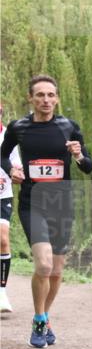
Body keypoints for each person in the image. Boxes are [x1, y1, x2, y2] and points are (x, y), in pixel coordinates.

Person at [1, 75, 92, 348]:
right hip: (33, 204)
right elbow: (2, 154)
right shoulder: (19, 127)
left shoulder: (69, 127)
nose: (46, 100)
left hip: (62, 205)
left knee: (56, 270)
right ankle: (40, 319)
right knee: (43, 264)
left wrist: (78, 155)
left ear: (57, 98)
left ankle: (44, 315)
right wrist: (11, 169)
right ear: (30, 98)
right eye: (40, 95)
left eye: (51, 95)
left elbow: (89, 167)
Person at [0, 103, 15, 313]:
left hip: (2, 194)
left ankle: (1, 292)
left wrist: (16, 172)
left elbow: (14, 162)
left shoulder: (9, 137)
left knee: (2, 239)